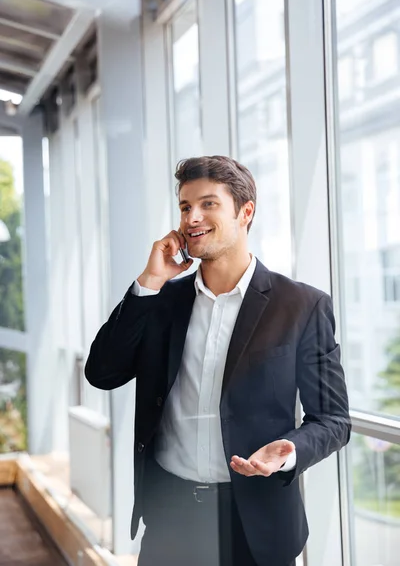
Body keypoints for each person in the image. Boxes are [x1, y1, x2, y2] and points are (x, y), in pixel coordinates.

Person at [85, 155, 351, 566]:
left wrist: (290, 451)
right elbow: (102, 372)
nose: (192, 217)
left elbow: (334, 419)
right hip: (170, 516)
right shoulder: (163, 301)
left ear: (246, 212)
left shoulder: (301, 305)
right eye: (186, 206)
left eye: (208, 204)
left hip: (256, 523)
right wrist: (150, 281)